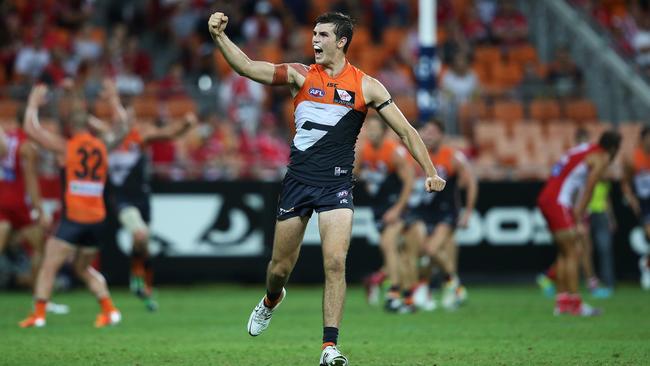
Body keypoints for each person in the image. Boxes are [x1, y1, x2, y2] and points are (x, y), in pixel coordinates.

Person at [208, 11, 446, 365]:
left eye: (322, 35)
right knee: (278, 268)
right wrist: (219, 38)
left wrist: (430, 169)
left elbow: (406, 131)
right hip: (298, 183)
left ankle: (329, 347)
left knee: (335, 262)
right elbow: (245, 67)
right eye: (314, 34)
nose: (315, 40)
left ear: (341, 41)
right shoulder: (299, 75)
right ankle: (272, 299)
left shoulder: (367, 86)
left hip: (336, 185)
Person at [19, 81, 129, 328]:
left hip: (74, 218)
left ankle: (38, 315)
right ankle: (109, 310)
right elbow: (123, 126)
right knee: (83, 268)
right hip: (98, 218)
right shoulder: (102, 145)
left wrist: (33, 104)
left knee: (49, 265)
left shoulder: (66, 147)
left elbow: (31, 129)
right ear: (90, 125)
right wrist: (113, 99)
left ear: (70, 126)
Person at [93, 109, 198, 311]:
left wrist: (185, 124)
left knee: (144, 245)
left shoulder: (139, 136)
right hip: (121, 199)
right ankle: (138, 280)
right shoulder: (108, 138)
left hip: (142, 198)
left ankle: (144, 286)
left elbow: (168, 134)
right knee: (140, 235)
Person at [537, 130, 621, 316]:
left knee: (564, 252)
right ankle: (575, 303)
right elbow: (590, 187)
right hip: (558, 201)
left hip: (548, 197)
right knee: (574, 251)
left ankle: (562, 301)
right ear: (614, 148)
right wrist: (579, 217)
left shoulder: (585, 149)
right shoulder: (601, 157)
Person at [401, 120, 478, 311]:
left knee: (431, 250)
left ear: (442, 135)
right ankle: (442, 287)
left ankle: (453, 285)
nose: (428, 135)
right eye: (425, 131)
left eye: (433, 132)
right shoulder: (417, 156)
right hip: (424, 211)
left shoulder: (452, 156)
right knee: (422, 253)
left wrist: (467, 212)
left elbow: (471, 183)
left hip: (446, 212)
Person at [355, 115, 414, 309]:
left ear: (384, 131)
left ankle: (393, 292)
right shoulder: (364, 151)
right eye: (368, 128)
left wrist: (398, 209)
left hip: (396, 206)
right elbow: (353, 173)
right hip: (378, 209)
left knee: (388, 244)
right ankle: (406, 297)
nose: (370, 132)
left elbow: (409, 181)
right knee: (398, 252)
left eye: (374, 128)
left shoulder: (394, 152)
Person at [622, 126, 650, 290]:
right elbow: (625, 182)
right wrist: (631, 199)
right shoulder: (634, 158)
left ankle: (646, 263)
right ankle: (646, 267)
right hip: (645, 203)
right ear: (643, 139)